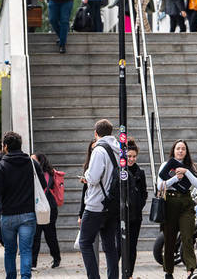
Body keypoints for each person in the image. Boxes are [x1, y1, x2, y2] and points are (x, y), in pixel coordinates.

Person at [0, 131, 47, 279]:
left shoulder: (0, 166)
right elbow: (43, 184)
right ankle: (25, 277)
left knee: (10, 251)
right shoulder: (32, 163)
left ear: (5, 147)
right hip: (28, 215)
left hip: (8, 215)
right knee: (26, 250)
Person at [78, 119, 121, 279]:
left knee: (85, 242)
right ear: (111, 132)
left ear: (96, 133)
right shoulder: (118, 149)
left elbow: (94, 178)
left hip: (96, 204)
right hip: (112, 203)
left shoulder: (99, 150)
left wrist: (86, 176)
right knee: (109, 245)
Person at [158, 140, 197, 279]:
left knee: (187, 237)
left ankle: (190, 271)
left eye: (183, 149)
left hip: (186, 203)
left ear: (186, 152)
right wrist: (175, 179)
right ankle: (168, 272)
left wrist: (186, 172)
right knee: (169, 239)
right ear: (173, 150)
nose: (181, 151)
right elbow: (160, 186)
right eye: (178, 148)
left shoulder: (190, 166)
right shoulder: (166, 165)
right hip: (169, 202)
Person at [31, 153, 61, 269]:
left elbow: (43, 190)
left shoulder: (47, 174)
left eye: (33, 160)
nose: (31, 162)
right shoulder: (35, 173)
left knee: (50, 235)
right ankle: (33, 263)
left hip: (48, 209)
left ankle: (56, 258)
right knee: (35, 236)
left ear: (40, 162)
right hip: (39, 208)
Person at [126, 139, 147, 279]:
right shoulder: (120, 171)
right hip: (122, 215)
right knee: (119, 248)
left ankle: (129, 274)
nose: (132, 159)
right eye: (129, 156)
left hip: (135, 216)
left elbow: (144, 193)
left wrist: (138, 204)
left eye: (134, 156)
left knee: (132, 247)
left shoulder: (140, 172)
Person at [78, 139, 101, 267]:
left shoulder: (103, 160)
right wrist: (80, 213)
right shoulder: (88, 166)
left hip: (99, 206)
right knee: (91, 243)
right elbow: (84, 192)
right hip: (90, 205)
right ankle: (94, 268)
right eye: (92, 149)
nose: (94, 151)